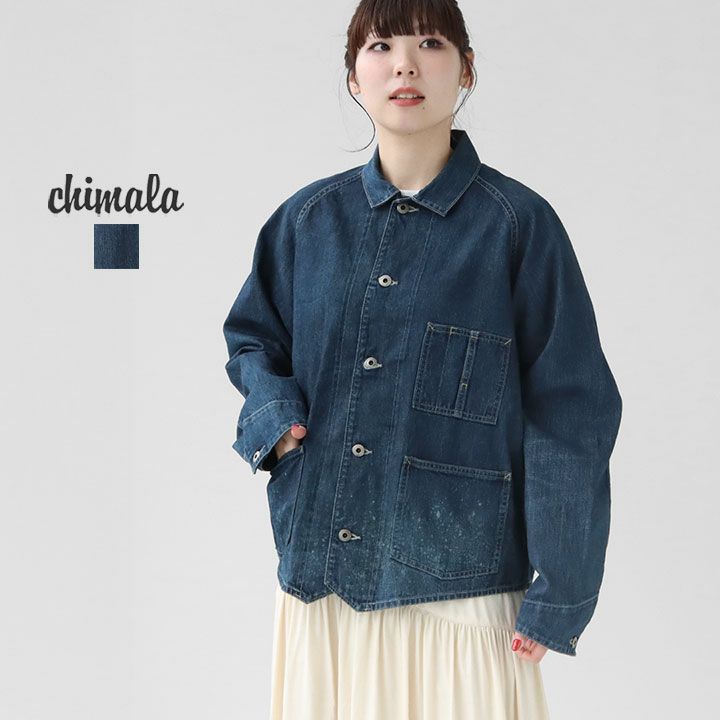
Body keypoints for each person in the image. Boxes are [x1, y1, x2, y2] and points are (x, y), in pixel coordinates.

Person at [222, 1, 623, 717]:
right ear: (354, 76)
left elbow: (571, 410)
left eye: (430, 42)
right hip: (324, 576)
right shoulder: (307, 221)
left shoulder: (517, 225)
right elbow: (253, 338)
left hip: (464, 591)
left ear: (465, 69)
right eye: (381, 46)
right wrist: (278, 428)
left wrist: (561, 589)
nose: (404, 64)